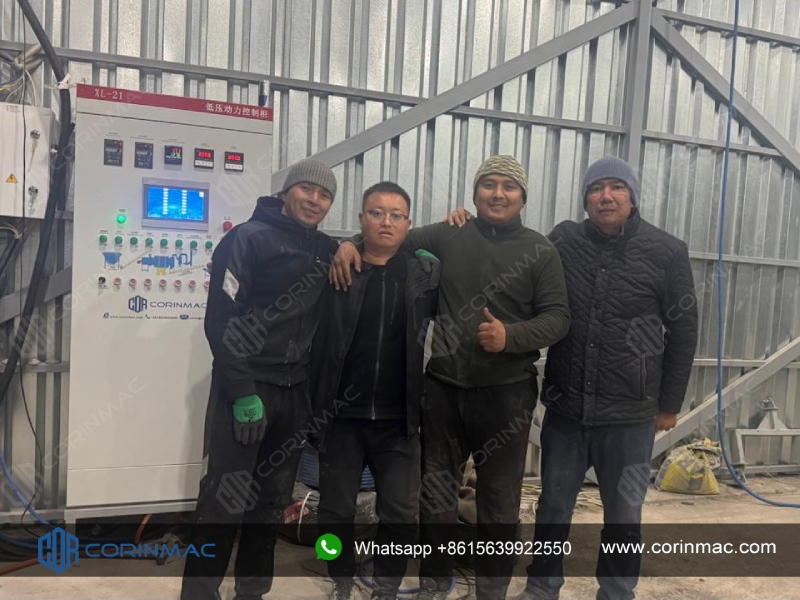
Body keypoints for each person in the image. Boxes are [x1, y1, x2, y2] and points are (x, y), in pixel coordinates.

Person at [451, 156, 698, 600]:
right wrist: (471, 227)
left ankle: (616, 592)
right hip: (567, 409)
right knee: (553, 507)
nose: (606, 197)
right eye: (596, 189)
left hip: (630, 414)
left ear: (632, 196)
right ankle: (542, 587)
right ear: (585, 199)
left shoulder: (667, 252)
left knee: (624, 514)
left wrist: (669, 404)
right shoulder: (563, 240)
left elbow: (683, 331)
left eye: (617, 188)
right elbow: (517, 261)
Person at [330, 156, 571, 600]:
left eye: (508, 186)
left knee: (499, 501)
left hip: (506, 394)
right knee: (436, 496)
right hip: (442, 388)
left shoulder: (540, 251)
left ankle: (491, 592)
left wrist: (511, 336)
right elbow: (388, 234)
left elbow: (558, 318)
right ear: (475, 193)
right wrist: (346, 243)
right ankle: (435, 583)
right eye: (488, 184)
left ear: (522, 197)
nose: (497, 193)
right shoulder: (448, 234)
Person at [180, 159, 339, 600]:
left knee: (270, 503)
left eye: (325, 195)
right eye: (306, 189)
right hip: (247, 389)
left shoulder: (325, 248)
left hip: (294, 395)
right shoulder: (246, 239)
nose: (314, 200)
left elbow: (375, 247)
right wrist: (241, 392)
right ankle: (198, 594)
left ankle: (252, 592)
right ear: (287, 192)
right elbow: (220, 321)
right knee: (223, 499)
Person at [311, 181, 441, 600]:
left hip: (399, 420)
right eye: (376, 213)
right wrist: (346, 245)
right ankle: (339, 576)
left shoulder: (424, 275)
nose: (386, 221)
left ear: (408, 224)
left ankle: (386, 586)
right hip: (341, 418)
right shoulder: (339, 269)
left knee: (400, 514)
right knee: (333, 512)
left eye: (396, 215)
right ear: (361, 219)